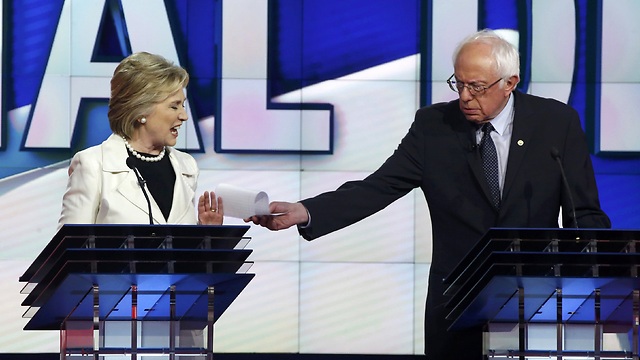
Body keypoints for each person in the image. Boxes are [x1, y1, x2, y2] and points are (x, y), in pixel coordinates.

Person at [247, 29, 611, 358]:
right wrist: (305, 211)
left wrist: (607, 281)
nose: (465, 97)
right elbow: (378, 187)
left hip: (535, 300)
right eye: (459, 84)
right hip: (456, 301)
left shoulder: (555, 123)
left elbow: (585, 214)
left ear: (510, 83)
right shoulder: (433, 126)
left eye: (478, 87)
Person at [58, 51, 223, 228]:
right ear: (141, 110)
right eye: (174, 106)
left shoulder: (186, 166)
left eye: (182, 105)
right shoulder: (93, 165)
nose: (184, 116)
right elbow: (71, 248)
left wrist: (206, 235)